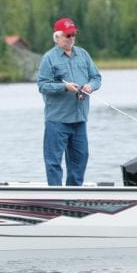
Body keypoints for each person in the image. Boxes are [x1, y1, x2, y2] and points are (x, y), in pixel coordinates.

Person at [36, 17, 102, 186]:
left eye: (73, 34)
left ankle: (74, 194)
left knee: (80, 161)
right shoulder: (48, 58)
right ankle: (55, 196)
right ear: (57, 37)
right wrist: (64, 87)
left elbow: (96, 77)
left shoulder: (83, 54)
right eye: (67, 35)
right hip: (57, 120)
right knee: (53, 162)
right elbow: (43, 86)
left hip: (79, 120)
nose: (71, 38)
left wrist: (90, 86)